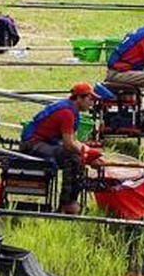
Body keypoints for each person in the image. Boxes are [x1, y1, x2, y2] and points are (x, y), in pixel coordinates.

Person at [21, 83, 105, 214]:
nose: (92, 103)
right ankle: (67, 204)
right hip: (33, 144)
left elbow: (73, 140)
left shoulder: (71, 110)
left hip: (46, 142)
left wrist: (88, 152)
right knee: (72, 158)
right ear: (79, 98)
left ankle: (70, 202)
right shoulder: (67, 113)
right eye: (90, 99)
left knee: (77, 157)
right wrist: (87, 155)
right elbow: (69, 144)